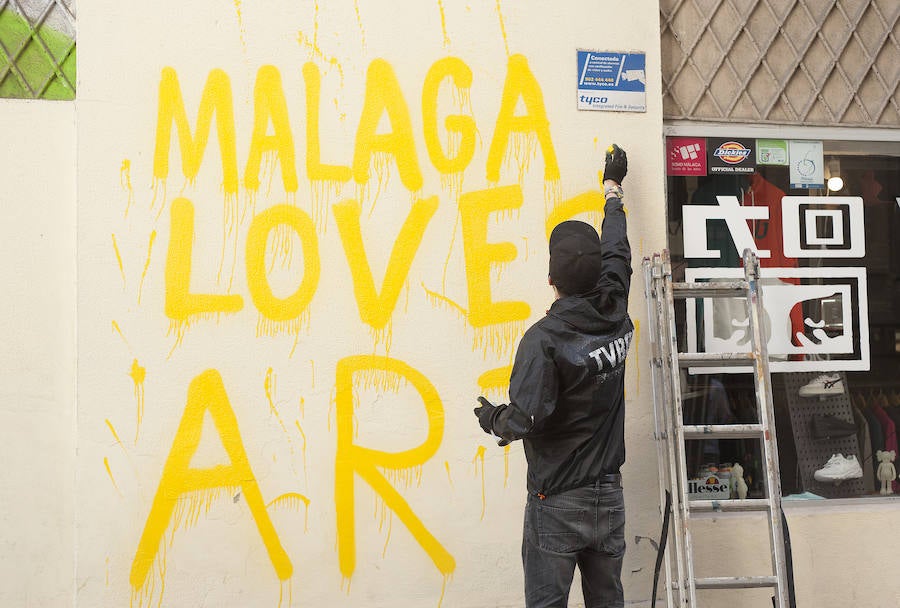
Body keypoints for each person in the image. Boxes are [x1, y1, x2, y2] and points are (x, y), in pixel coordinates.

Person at [474, 144, 633, 608]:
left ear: (551, 281)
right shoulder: (616, 307)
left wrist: (492, 418)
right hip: (609, 495)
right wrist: (613, 190)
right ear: (599, 272)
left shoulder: (544, 340)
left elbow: (525, 420)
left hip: (559, 498)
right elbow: (618, 249)